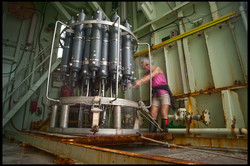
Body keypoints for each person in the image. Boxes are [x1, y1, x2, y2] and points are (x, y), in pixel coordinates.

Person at [132, 57, 175, 133]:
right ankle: (152, 134)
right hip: (155, 95)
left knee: (163, 113)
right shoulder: (146, 74)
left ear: (148, 63)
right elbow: (140, 81)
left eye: (143, 64)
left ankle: (165, 133)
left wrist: (141, 81)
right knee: (153, 114)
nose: (142, 66)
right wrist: (131, 85)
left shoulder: (157, 69)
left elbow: (149, 77)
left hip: (164, 93)